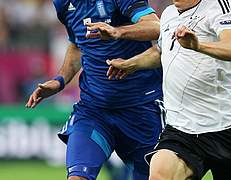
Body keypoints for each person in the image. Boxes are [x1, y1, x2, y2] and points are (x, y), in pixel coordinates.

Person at [106, 0, 231, 179]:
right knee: (160, 174)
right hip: (181, 129)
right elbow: (161, 51)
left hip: (225, 128)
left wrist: (197, 45)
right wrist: (131, 64)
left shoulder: (218, 5)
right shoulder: (169, 14)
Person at [26, 0, 164, 180]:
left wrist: (118, 31)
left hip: (141, 110)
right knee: (77, 177)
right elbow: (77, 45)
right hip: (94, 110)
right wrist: (59, 81)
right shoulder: (62, 4)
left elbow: (157, 27)